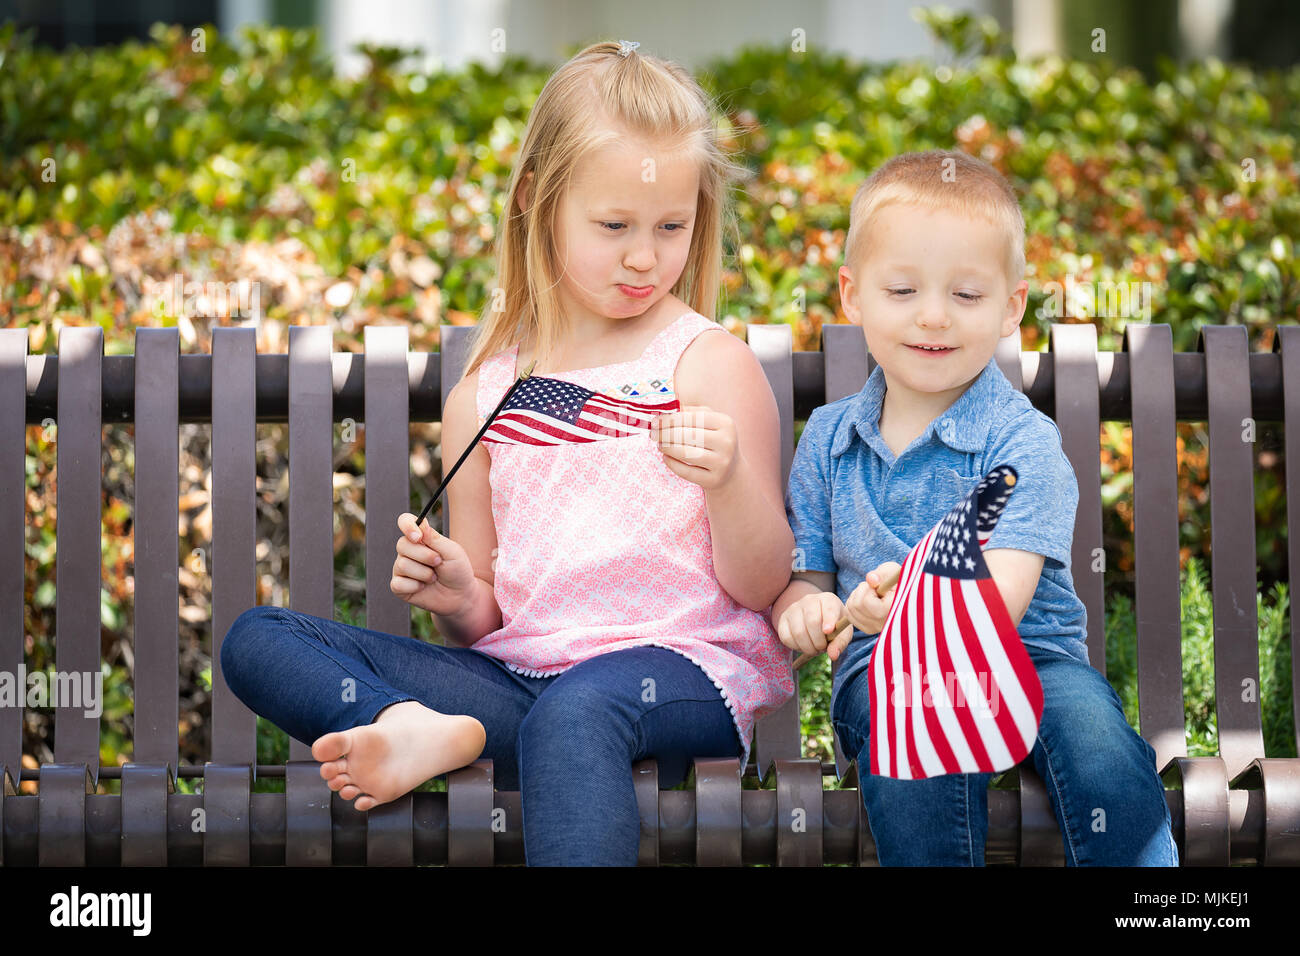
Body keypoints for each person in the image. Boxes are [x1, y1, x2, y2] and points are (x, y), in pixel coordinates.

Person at [220, 39, 795, 866]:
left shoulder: (704, 362)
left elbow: (762, 584)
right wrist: (457, 593)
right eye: (614, 226)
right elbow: (487, 619)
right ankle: (409, 727)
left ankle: (462, 734)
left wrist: (733, 480)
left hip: (681, 672)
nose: (646, 256)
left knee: (580, 713)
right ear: (536, 202)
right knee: (257, 637)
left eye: (672, 226)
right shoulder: (486, 396)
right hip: (523, 684)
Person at [771, 148, 1178, 866]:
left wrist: (889, 607)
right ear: (852, 295)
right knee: (910, 739)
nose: (933, 316)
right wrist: (806, 610)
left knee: (1102, 754)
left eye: (966, 295)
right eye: (901, 291)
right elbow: (808, 580)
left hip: (1033, 656)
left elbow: (995, 603)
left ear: (1010, 306)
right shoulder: (829, 441)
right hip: (887, 672)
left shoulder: (1024, 442)